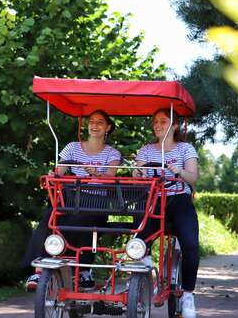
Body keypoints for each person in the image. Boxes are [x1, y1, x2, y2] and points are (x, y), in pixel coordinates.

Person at [23, 109, 121, 291]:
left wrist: (97, 174)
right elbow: (59, 171)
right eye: (92, 121)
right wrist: (54, 174)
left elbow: (111, 177)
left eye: (100, 122)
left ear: (108, 127)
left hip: (96, 201)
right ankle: (39, 268)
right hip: (71, 197)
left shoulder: (112, 153)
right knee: (50, 218)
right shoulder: (72, 147)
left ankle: (82, 268)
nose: (95, 125)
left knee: (80, 219)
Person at [133, 108, 199, 318]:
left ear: (175, 126)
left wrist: (177, 170)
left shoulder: (185, 149)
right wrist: (138, 171)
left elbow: (193, 177)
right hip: (153, 199)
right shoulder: (146, 150)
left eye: (163, 121)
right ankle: (145, 265)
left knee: (190, 244)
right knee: (138, 237)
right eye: (155, 122)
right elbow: (136, 175)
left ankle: (187, 294)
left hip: (179, 199)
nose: (158, 125)